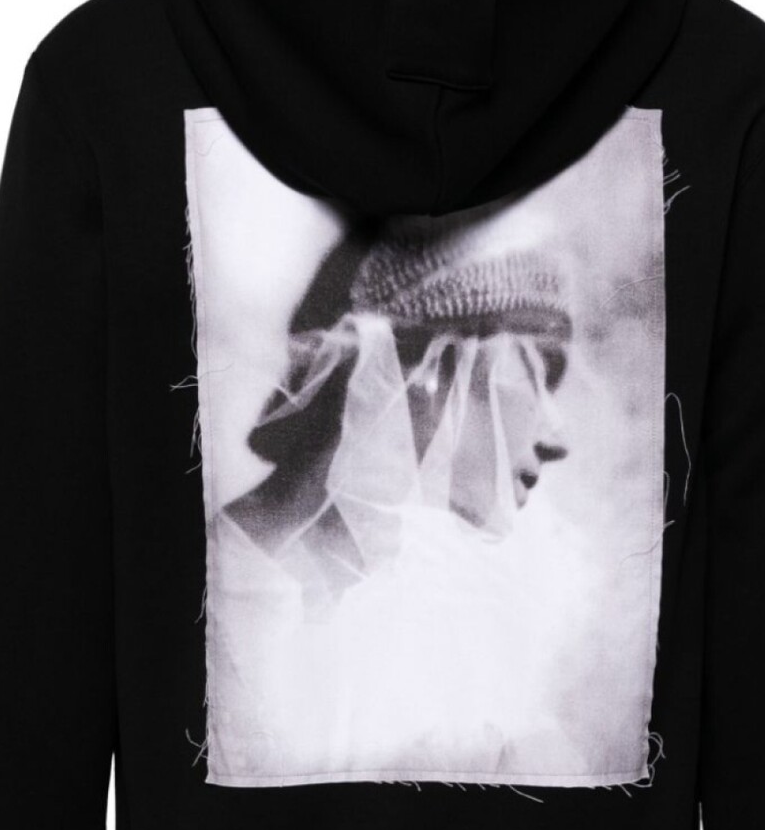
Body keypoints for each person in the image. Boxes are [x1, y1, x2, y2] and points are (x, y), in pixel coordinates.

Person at [205, 208, 592, 786]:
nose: (557, 438)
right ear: (428, 371)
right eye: (538, 374)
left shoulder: (443, 618)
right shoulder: (210, 600)